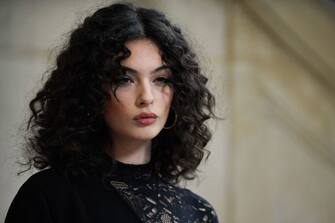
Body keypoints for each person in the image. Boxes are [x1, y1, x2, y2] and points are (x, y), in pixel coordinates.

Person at [5, 3, 220, 223]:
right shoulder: (49, 196)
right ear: (91, 90)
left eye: (161, 79)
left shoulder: (198, 212)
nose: (147, 97)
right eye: (124, 79)